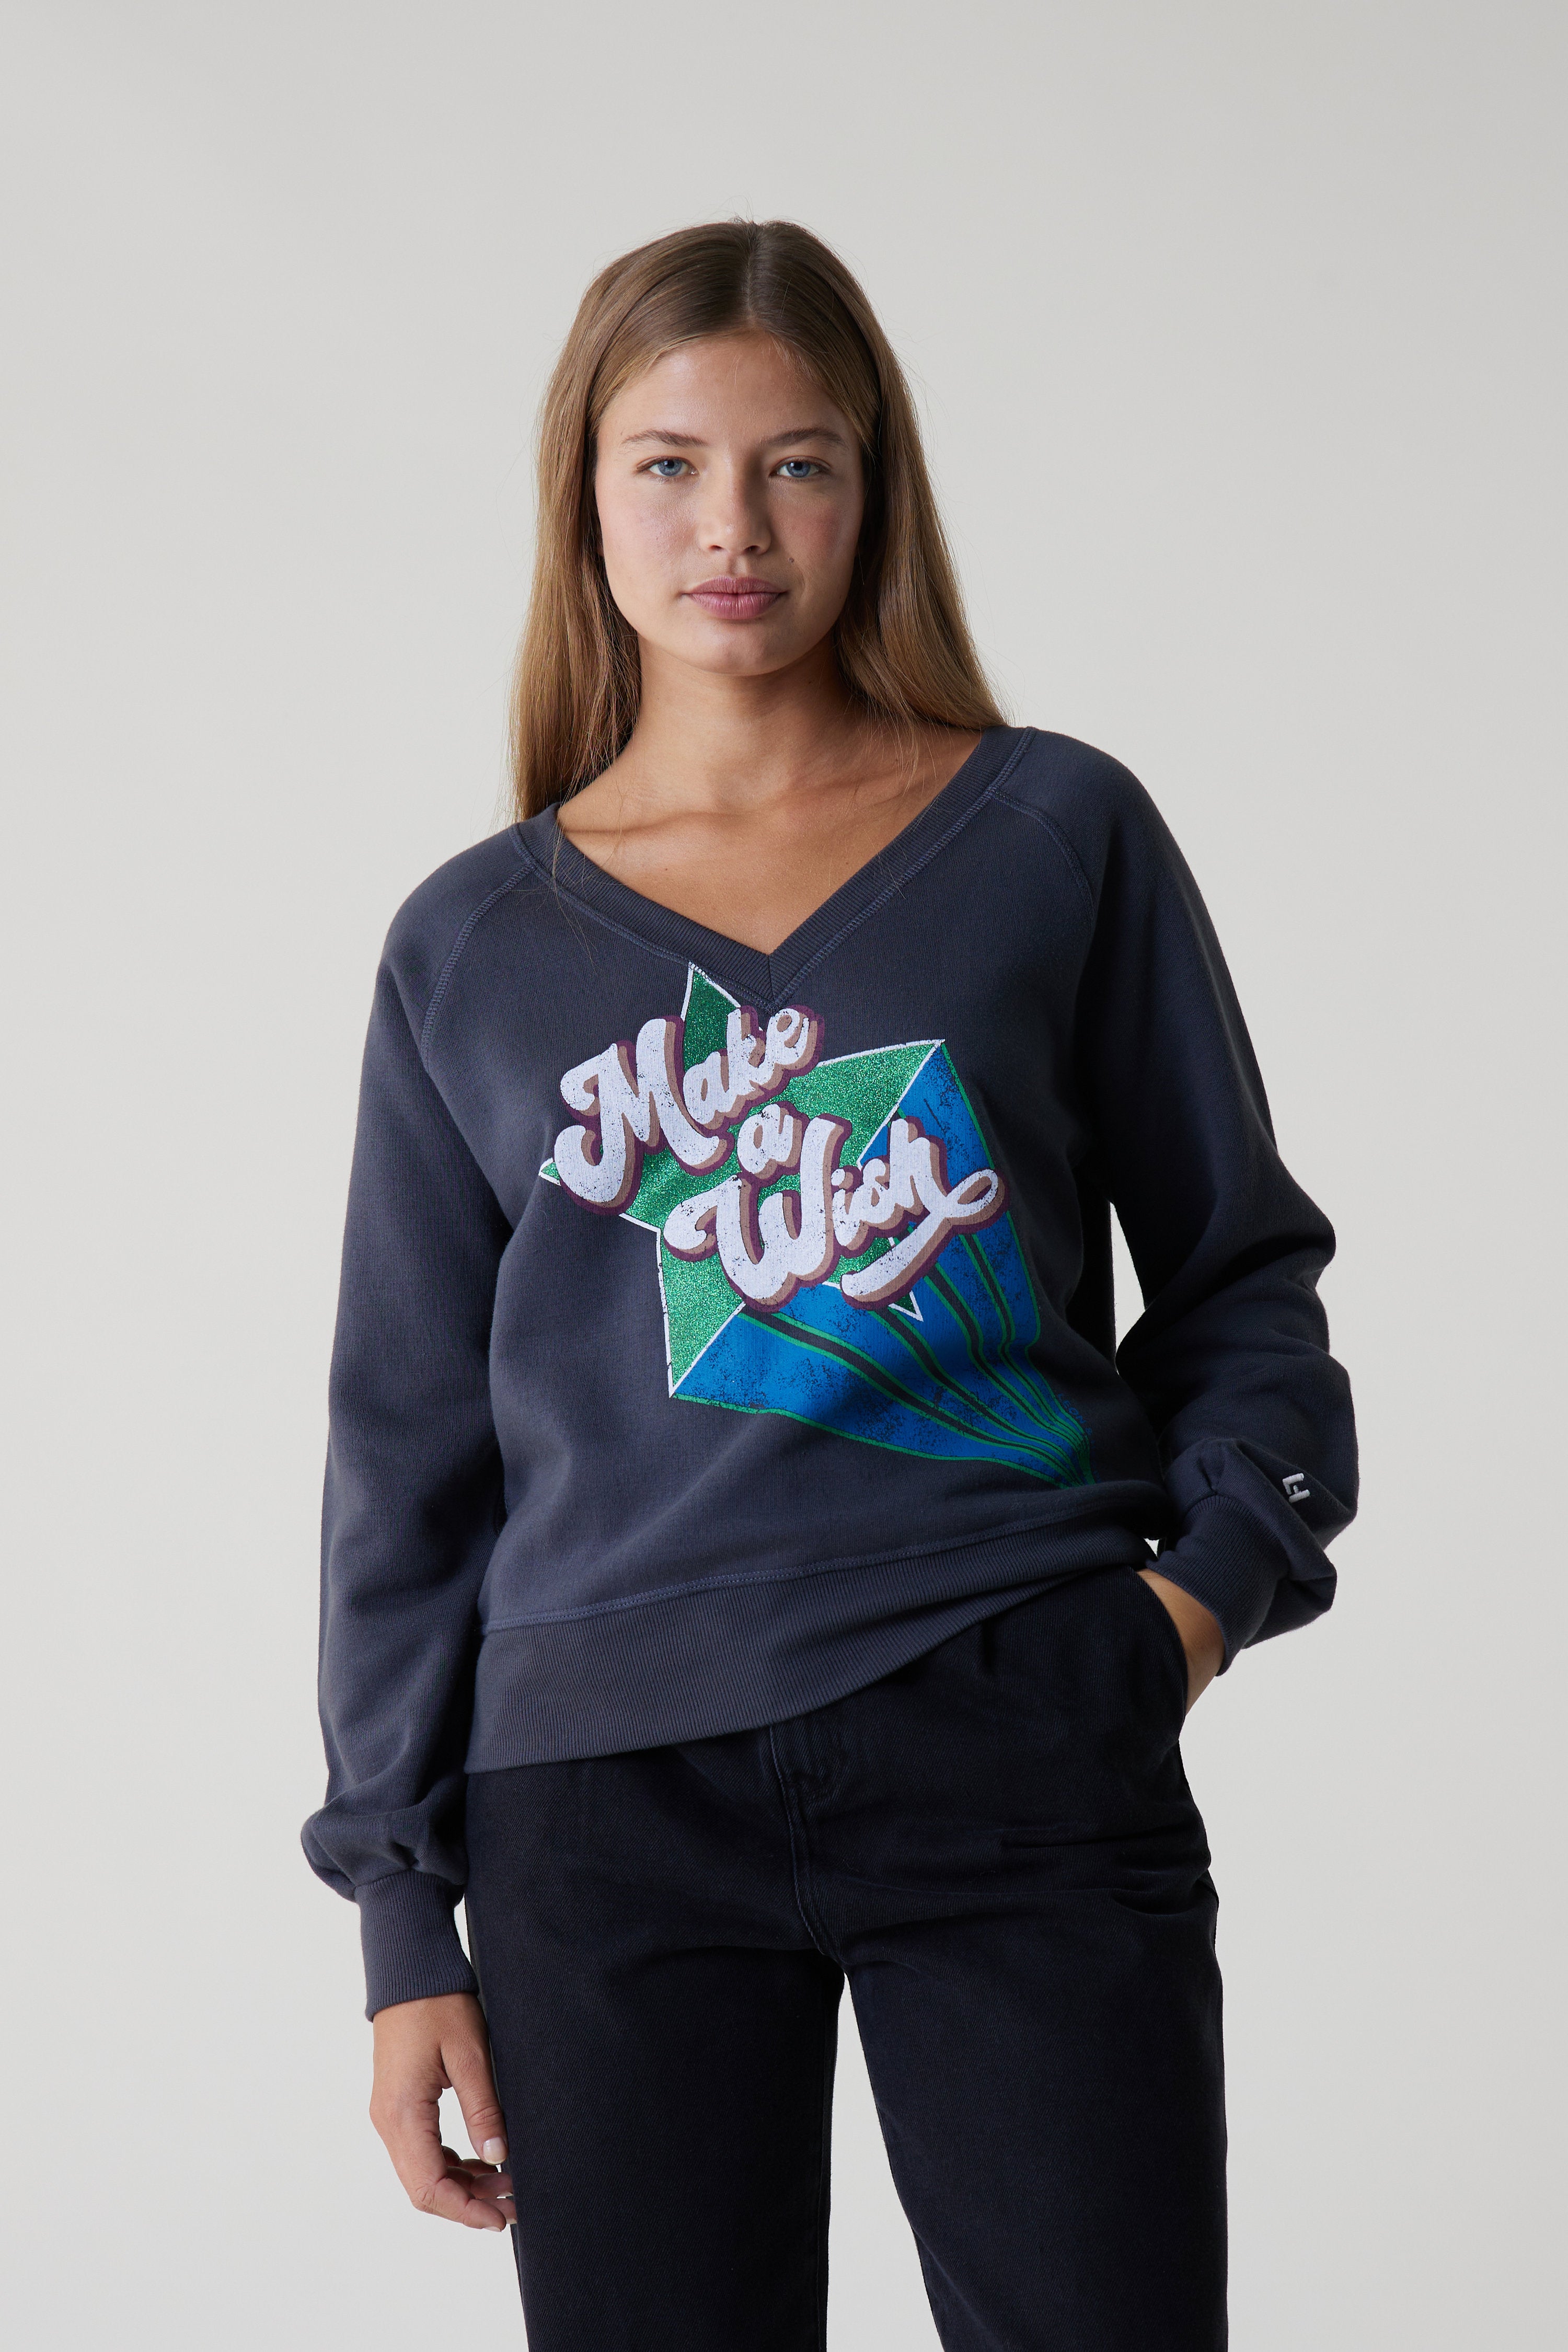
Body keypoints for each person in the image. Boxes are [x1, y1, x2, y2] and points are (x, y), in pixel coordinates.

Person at [303, 218, 1356, 2351]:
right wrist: (404, 1919)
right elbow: (405, 1461)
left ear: (876, 492)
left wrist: (1188, 1610)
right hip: (603, 1804)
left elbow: (1243, 1269)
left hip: (1018, 1725)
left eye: (798, 463)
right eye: (669, 464)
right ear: (583, 497)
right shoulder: (470, 947)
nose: (735, 526)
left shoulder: (1054, 834)